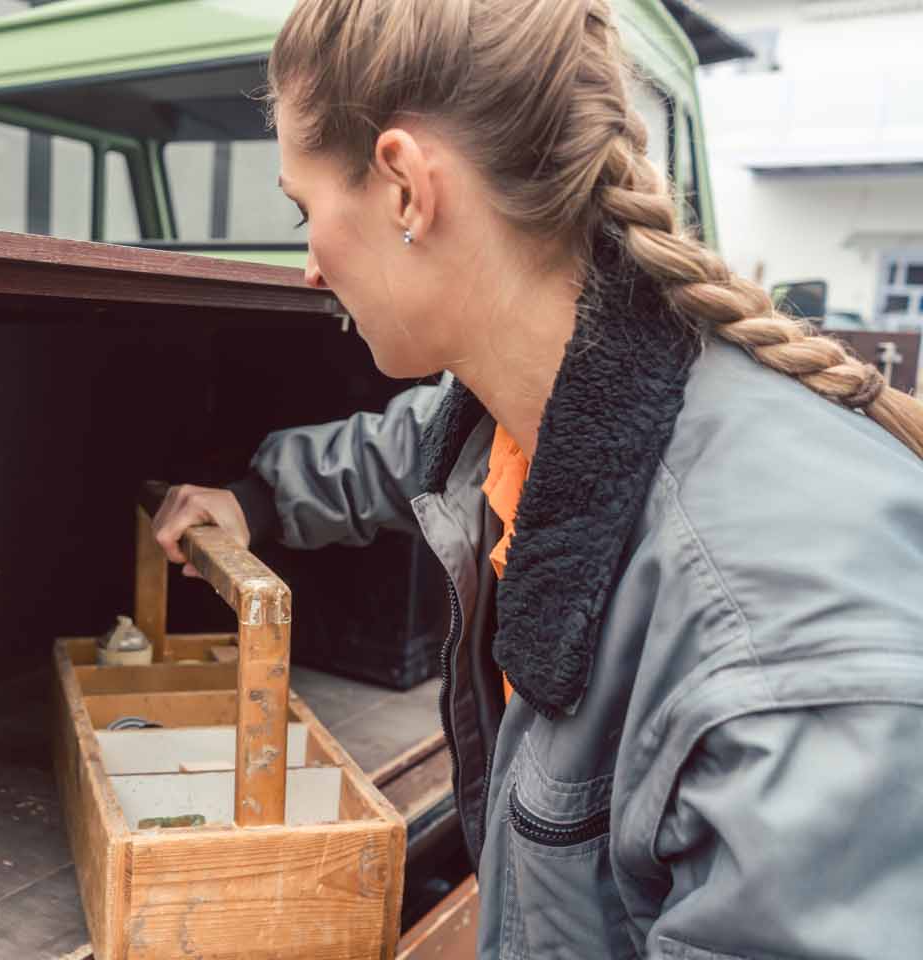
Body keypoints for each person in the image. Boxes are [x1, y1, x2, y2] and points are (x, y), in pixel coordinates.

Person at [149, 0, 923, 956]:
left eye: (304, 211)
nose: (307, 265)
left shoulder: (776, 639)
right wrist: (257, 500)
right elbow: (415, 445)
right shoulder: (546, 402)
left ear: (402, 186)